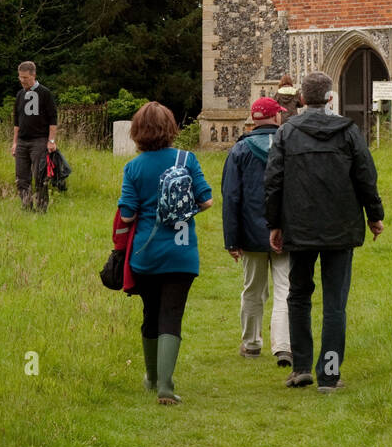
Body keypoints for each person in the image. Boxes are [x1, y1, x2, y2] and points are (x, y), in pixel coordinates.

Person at [264, 70, 384, 392]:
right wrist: (375, 216)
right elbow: (365, 177)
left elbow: (273, 181)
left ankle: (302, 367)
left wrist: (274, 224)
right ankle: (329, 375)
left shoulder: (286, 132)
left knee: (298, 296)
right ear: (330, 98)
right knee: (334, 304)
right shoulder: (348, 132)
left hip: (300, 227)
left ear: (302, 99)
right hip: (339, 229)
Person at [118, 101, 212, 405]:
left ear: (137, 132)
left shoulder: (133, 168)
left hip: (146, 254)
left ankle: (152, 377)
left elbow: (128, 214)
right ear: (170, 128)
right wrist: (182, 210)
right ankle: (166, 388)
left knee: (151, 314)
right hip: (182, 253)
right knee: (172, 315)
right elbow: (207, 201)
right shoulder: (187, 159)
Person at [222, 95, 291, 367]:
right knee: (285, 288)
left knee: (253, 288)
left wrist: (232, 239)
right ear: (275, 118)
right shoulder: (290, 146)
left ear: (254, 120)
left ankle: (251, 343)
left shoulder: (240, 151)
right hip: (286, 229)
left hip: (251, 232)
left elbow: (231, 197)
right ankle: (283, 345)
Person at [11, 60, 58, 213]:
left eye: (25, 77)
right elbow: (16, 121)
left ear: (33, 75)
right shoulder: (19, 95)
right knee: (21, 178)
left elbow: (53, 119)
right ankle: (26, 208)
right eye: (20, 77)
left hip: (39, 141)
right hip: (22, 142)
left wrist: (51, 140)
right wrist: (15, 143)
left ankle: (42, 209)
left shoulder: (45, 93)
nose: (22, 80)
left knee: (39, 176)